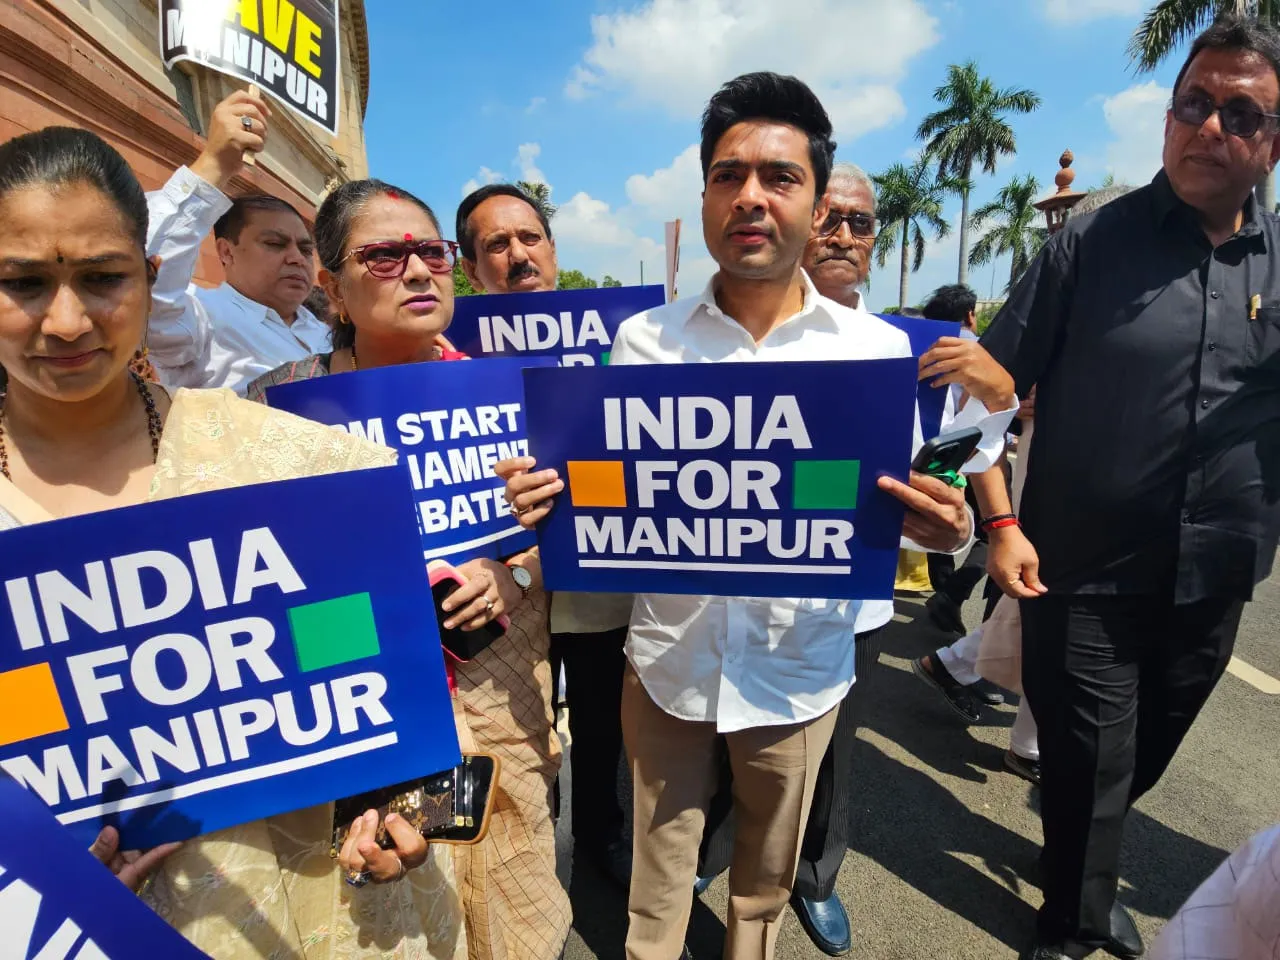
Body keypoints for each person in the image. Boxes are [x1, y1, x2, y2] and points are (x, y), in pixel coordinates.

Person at [502, 72, 980, 960]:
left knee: (762, 886)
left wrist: (949, 527)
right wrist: (551, 502)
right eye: (728, 175)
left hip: (799, 676)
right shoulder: (645, 342)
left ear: (815, 201)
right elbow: (612, 490)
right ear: (706, 195)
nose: (750, 196)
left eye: (779, 176)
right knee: (658, 880)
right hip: (668, 666)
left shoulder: (878, 355)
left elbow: (909, 500)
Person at [0, 126, 466, 958]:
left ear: (149, 282)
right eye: (24, 283)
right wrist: (31, 887)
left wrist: (413, 816)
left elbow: (421, 713)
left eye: (103, 279)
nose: (66, 322)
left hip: (327, 920)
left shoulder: (300, 464)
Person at [973, 17, 1280, 959]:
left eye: (1241, 112)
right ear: (1168, 116)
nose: (1211, 127)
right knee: (1096, 764)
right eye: (1195, 103)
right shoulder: (1086, 247)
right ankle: (1067, 925)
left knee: (1139, 756)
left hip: (1217, 574)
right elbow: (977, 398)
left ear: (1274, 142)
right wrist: (1000, 523)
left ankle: (1075, 829)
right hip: (1084, 572)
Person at [692, 164, 1015, 955]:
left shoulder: (928, 350)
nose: (840, 234)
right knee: (725, 740)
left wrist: (998, 404)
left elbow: (962, 464)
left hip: (852, 601)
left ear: (877, 242)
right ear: (799, 223)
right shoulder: (729, 336)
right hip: (741, 590)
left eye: (859, 223)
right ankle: (715, 857)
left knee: (833, 751)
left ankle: (816, 876)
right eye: (828, 217)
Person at [249, 177, 572, 960]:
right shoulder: (273, 412)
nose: (420, 271)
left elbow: (595, 536)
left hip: (503, 691)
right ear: (331, 286)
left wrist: (522, 564)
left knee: (515, 891)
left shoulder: (523, 398)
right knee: (391, 896)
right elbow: (255, 582)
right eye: (385, 256)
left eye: (431, 252)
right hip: (363, 700)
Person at [457, 182, 636, 888]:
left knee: (599, 725)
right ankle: (520, 858)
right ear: (472, 268)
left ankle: (598, 833)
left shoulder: (623, 342)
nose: (518, 255)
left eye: (530, 238)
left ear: (554, 251)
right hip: (499, 599)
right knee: (516, 736)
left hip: (595, 586)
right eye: (496, 244)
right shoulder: (442, 358)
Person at [145, 90, 332, 394]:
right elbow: (144, 279)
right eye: (275, 244)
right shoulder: (200, 318)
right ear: (226, 252)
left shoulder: (325, 333)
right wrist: (214, 164)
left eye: (305, 248)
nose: (297, 258)